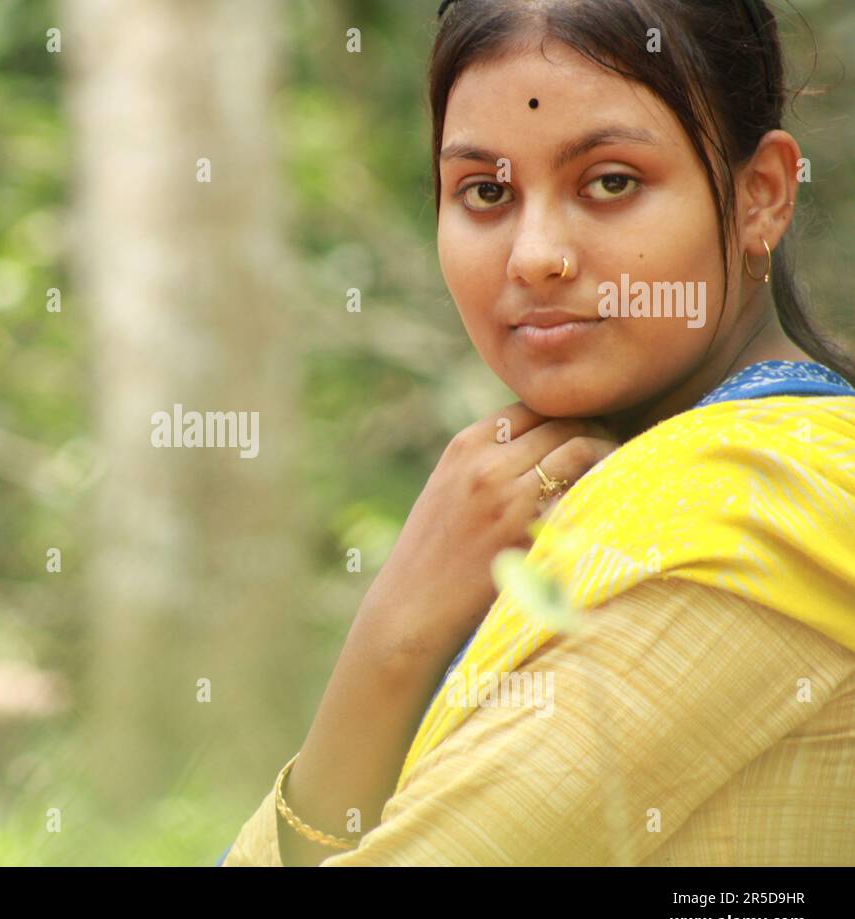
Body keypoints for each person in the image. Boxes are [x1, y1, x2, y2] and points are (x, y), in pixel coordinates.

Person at [221, 0, 855, 866]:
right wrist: (402, 621)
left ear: (762, 196)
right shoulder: (614, 497)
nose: (535, 256)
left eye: (610, 182)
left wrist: (397, 631)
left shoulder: (749, 504)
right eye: (486, 192)